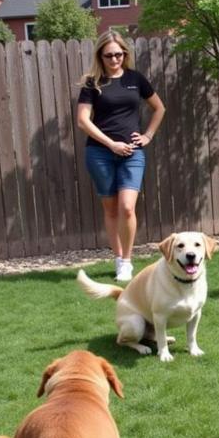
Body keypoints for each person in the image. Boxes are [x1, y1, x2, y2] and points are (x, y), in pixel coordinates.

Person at [77, 30, 166, 282]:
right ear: (100, 56)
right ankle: (118, 259)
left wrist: (147, 136)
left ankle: (126, 261)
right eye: (109, 55)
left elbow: (159, 108)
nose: (114, 59)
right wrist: (111, 144)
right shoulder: (92, 83)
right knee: (111, 209)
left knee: (127, 208)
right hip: (100, 154)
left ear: (124, 54)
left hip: (133, 154)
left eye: (119, 54)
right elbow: (83, 121)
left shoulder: (135, 79)